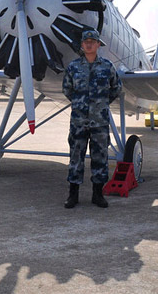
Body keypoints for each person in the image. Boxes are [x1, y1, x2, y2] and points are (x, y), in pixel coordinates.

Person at [62, 29, 122, 209]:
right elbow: (67, 89)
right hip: (78, 122)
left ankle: (98, 195)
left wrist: (100, 104)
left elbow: (116, 87)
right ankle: (73, 195)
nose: (89, 44)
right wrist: (81, 104)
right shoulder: (73, 67)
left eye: (92, 41)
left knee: (100, 158)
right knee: (75, 157)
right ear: (82, 45)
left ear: (98, 45)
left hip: (100, 122)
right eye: (86, 41)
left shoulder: (107, 66)